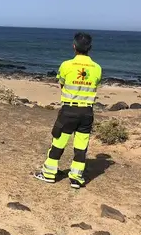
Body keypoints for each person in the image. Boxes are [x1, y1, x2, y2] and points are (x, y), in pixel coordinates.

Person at [35, 32, 102, 189]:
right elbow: (95, 85)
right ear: (90, 48)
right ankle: (76, 178)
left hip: (69, 110)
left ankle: (49, 173)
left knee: (58, 141)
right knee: (81, 146)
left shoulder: (66, 65)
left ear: (74, 46)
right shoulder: (97, 68)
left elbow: (62, 84)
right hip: (87, 112)